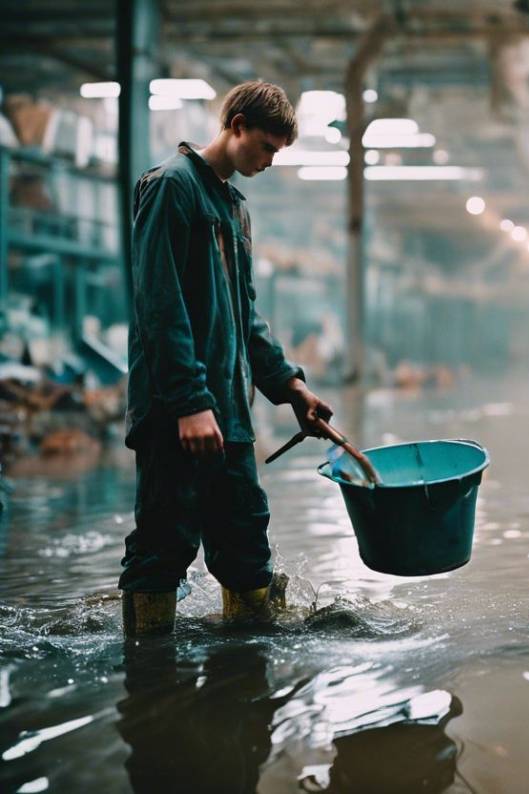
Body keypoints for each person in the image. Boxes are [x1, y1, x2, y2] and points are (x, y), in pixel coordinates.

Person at [120, 81, 333, 636]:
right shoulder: (171, 188)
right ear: (236, 124)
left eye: (277, 152)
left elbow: (245, 317)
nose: (268, 161)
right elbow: (158, 306)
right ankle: (150, 684)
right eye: (265, 146)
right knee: (162, 546)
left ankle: (242, 690)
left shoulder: (233, 206)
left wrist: (290, 385)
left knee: (245, 540)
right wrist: (190, 404)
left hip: (229, 415)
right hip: (178, 415)